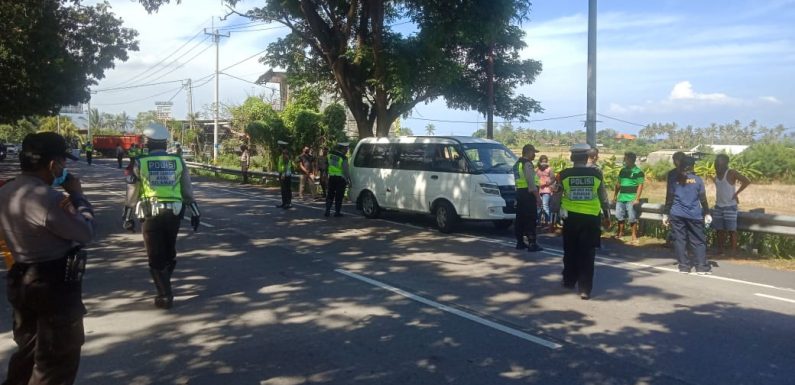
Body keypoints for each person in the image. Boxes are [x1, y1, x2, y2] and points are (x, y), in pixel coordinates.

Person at [0, 132, 95, 385]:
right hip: (53, 287)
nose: (64, 168)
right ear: (52, 165)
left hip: (21, 278)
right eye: (62, 163)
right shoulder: (47, 198)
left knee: (28, 354)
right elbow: (84, 232)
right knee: (56, 362)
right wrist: (78, 196)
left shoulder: (7, 189)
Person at [123, 123, 200, 309]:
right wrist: (196, 212)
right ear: (165, 143)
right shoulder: (178, 161)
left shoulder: (140, 162)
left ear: (147, 143)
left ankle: (165, 295)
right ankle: (165, 285)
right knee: (169, 252)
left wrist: (127, 216)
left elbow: (133, 191)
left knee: (155, 256)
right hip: (174, 213)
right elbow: (187, 190)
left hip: (151, 215)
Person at [557, 143, 611, 300]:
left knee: (570, 251)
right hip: (591, 218)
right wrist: (607, 216)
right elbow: (603, 197)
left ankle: (569, 281)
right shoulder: (596, 174)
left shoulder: (564, 174)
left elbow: (556, 198)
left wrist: (556, 211)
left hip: (571, 218)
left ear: (572, 157)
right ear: (587, 157)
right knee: (588, 254)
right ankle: (585, 289)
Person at [663, 156, 712, 274]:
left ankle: (684, 266)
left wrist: (665, 214)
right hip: (694, 215)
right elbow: (703, 199)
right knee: (698, 240)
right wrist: (707, 213)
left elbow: (669, 198)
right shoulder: (698, 180)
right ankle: (701, 267)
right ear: (692, 166)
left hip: (677, 214)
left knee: (680, 240)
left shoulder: (675, 180)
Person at [712, 153, 750, 254]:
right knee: (719, 230)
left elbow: (746, 181)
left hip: (730, 206)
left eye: (719, 161)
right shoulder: (716, 174)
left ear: (725, 162)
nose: (717, 163)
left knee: (732, 230)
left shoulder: (731, 172)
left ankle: (733, 251)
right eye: (717, 161)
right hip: (718, 205)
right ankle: (720, 250)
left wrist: (736, 193)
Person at [513, 144, 543, 252]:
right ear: (528, 152)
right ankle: (532, 243)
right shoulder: (527, 164)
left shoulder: (517, 164)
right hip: (528, 195)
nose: (534, 155)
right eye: (533, 152)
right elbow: (531, 183)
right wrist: (538, 198)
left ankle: (520, 243)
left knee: (520, 219)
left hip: (519, 193)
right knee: (530, 218)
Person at [613, 152, 645, 244]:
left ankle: (634, 236)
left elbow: (640, 185)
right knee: (619, 216)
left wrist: (637, 198)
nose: (624, 160)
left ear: (631, 160)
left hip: (631, 198)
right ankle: (620, 233)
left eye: (625, 158)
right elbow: (618, 184)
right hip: (621, 198)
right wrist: (615, 196)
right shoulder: (623, 171)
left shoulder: (638, 172)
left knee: (632, 218)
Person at [664, 152, 687, 247]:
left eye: (674, 160)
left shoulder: (672, 173)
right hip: (688, 204)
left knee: (676, 225)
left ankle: (676, 243)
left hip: (676, 203)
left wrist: (666, 209)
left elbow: (670, 192)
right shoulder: (690, 173)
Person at [325, 142, 351, 217]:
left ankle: (327, 210)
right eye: (346, 149)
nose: (347, 151)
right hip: (340, 179)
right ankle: (337, 212)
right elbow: (346, 170)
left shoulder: (330, 154)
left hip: (331, 177)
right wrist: (349, 180)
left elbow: (326, 165)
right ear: (343, 149)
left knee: (330, 194)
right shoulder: (343, 157)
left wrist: (325, 175)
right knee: (339, 196)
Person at [536, 155, 554, 226]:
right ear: (540, 162)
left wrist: (548, 183)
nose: (544, 163)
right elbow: (533, 177)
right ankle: (538, 221)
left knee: (545, 206)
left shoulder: (549, 169)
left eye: (545, 162)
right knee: (538, 207)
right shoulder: (537, 169)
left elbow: (553, 178)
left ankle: (548, 222)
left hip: (546, 190)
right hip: (538, 190)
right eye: (542, 162)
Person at [276, 141, 293, 209]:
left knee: (286, 189)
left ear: (281, 147)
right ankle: (284, 203)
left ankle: (288, 203)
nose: (278, 147)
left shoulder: (284, 154)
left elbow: (285, 164)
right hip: (283, 173)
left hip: (285, 174)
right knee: (283, 189)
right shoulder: (283, 154)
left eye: (279, 146)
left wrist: (283, 173)